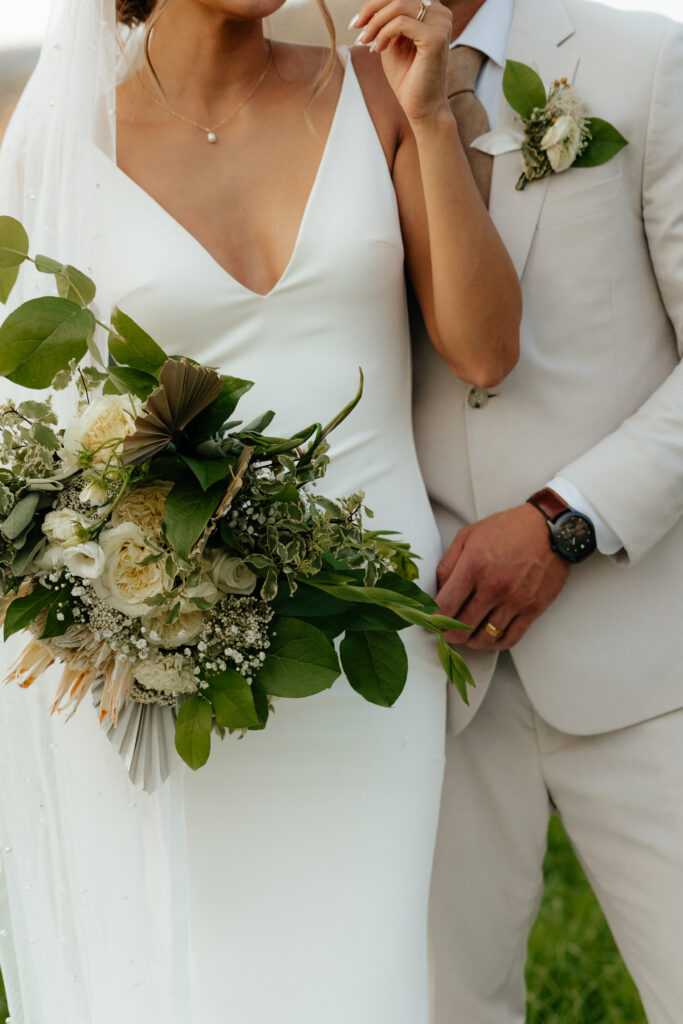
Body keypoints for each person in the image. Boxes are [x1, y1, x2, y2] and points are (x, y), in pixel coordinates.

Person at [0, 0, 520, 1021]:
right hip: (160, 645)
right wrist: (121, 593)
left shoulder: (376, 90)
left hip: (365, 639)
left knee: (357, 969)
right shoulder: (62, 139)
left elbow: (484, 347)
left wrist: (426, 119)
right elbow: (36, 435)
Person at [411, 0, 683, 1021]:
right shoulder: (323, 89)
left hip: (645, 643)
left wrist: (566, 518)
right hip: (428, 656)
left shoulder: (641, 57)